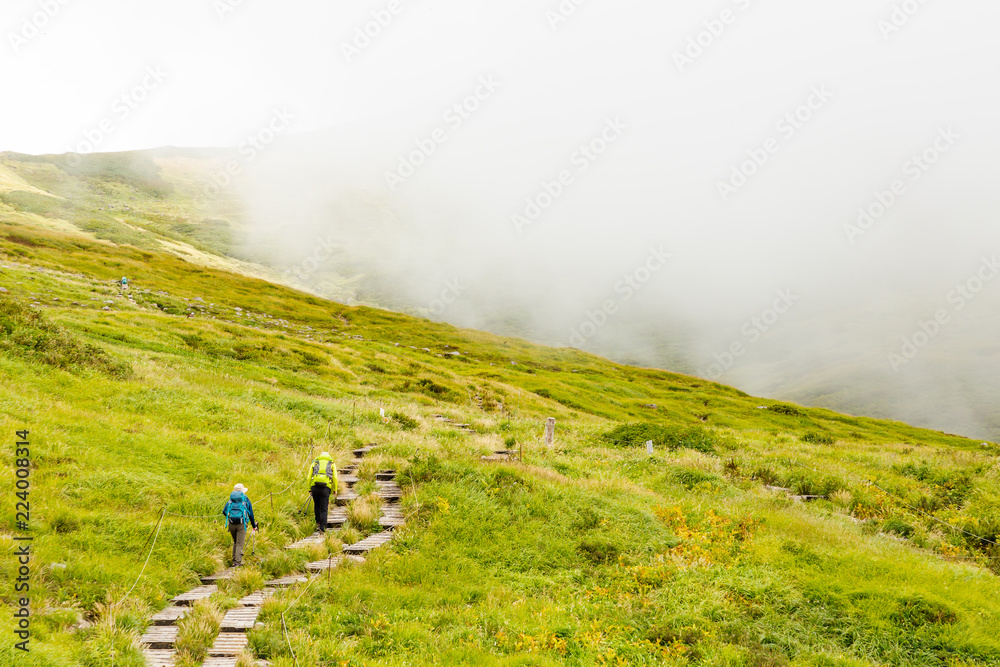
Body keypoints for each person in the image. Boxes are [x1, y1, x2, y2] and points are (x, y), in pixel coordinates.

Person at [222, 483, 257, 568]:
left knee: (236, 542)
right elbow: (250, 514)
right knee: (239, 544)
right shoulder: (245, 499)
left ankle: (234, 560)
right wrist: (253, 525)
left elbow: (224, 511)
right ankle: (237, 563)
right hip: (242, 524)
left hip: (231, 524)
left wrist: (231, 516)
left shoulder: (231, 500)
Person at [308, 451, 338, 533]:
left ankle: (318, 523)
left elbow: (308, 477)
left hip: (315, 487)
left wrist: (309, 489)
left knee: (316, 506)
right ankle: (322, 528)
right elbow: (335, 478)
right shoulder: (332, 464)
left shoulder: (315, 463)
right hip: (325, 488)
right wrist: (335, 489)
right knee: (324, 508)